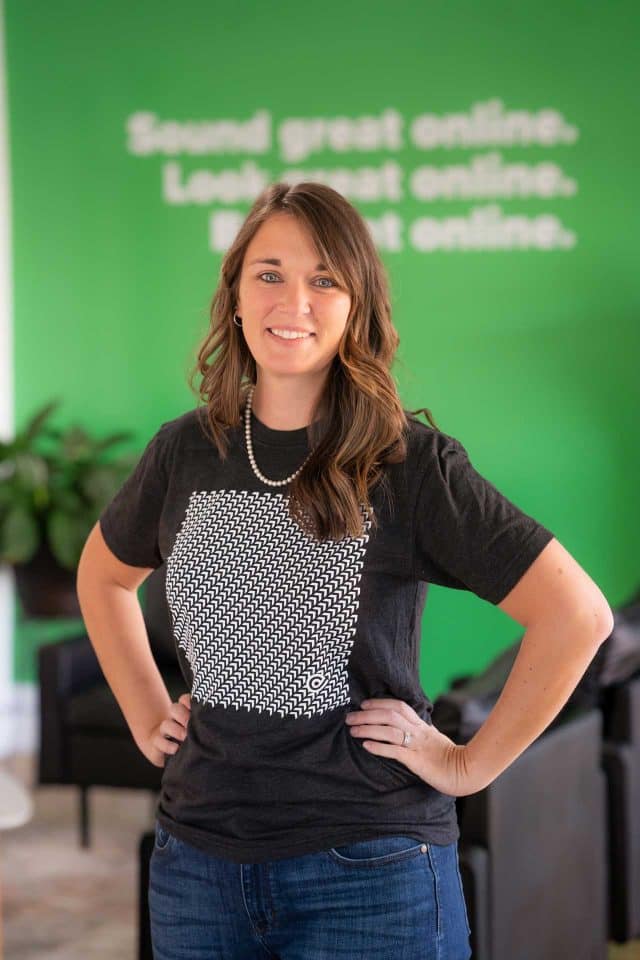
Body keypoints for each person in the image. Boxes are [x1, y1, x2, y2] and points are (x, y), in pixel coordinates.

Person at [77, 181, 613, 960]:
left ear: (356, 305)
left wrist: (466, 765)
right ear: (235, 296)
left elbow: (577, 615)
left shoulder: (410, 465)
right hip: (197, 867)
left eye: (324, 279)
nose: (293, 300)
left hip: (371, 871)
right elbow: (102, 576)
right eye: (269, 273)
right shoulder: (183, 451)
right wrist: (142, 709)